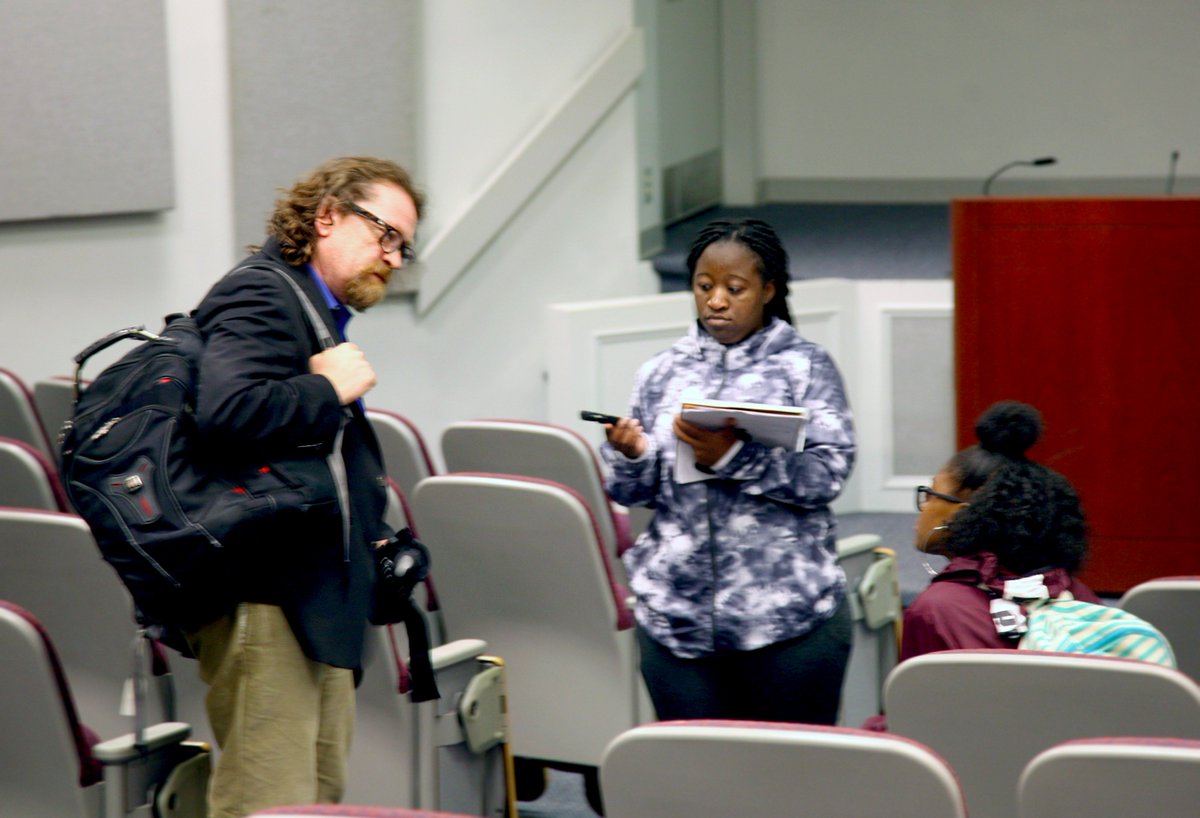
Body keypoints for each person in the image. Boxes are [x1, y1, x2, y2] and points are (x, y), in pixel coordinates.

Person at [187, 156, 423, 818]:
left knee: (314, 801)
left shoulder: (309, 307)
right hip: (267, 598)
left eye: (403, 245)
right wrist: (326, 388)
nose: (394, 257)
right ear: (327, 217)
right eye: (385, 235)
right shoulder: (261, 293)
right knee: (269, 803)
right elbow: (225, 414)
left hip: (309, 598)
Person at [601, 218, 856, 724]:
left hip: (787, 622)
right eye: (704, 286)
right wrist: (630, 455)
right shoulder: (661, 371)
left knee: (787, 786)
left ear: (768, 290)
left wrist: (733, 457)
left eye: (734, 289)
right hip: (676, 620)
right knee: (697, 788)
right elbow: (637, 493)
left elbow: (827, 474)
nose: (716, 300)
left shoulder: (805, 367)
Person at [902, 400, 1100, 659]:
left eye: (932, 493)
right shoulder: (1082, 597)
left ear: (964, 513)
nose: (924, 505)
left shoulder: (933, 611)